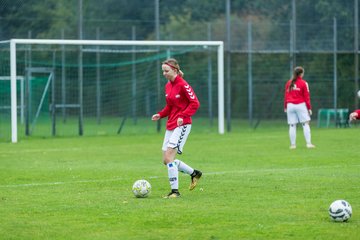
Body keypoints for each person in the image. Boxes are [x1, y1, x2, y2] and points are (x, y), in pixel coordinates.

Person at [152, 58, 202, 198]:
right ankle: (194, 173)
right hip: (171, 124)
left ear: (174, 70)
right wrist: (160, 114)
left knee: (169, 157)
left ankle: (175, 192)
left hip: (182, 125)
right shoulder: (168, 86)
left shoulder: (183, 85)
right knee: (166, 160)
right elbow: (170, 106)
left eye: (166, 71)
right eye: (162, 71)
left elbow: (195, 103)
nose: (164, 73)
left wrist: (183, 115)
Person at [284, 66, 315, 149]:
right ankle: (308, 144)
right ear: (301, 74)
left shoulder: (289, 83)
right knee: (305, 124)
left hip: (290, 105)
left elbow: (286, 96)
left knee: (292, 125)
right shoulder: (304, 83)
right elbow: (306, 97)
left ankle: (293, 145)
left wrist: (285, 107)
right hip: (300, 105)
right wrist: (309, 108)